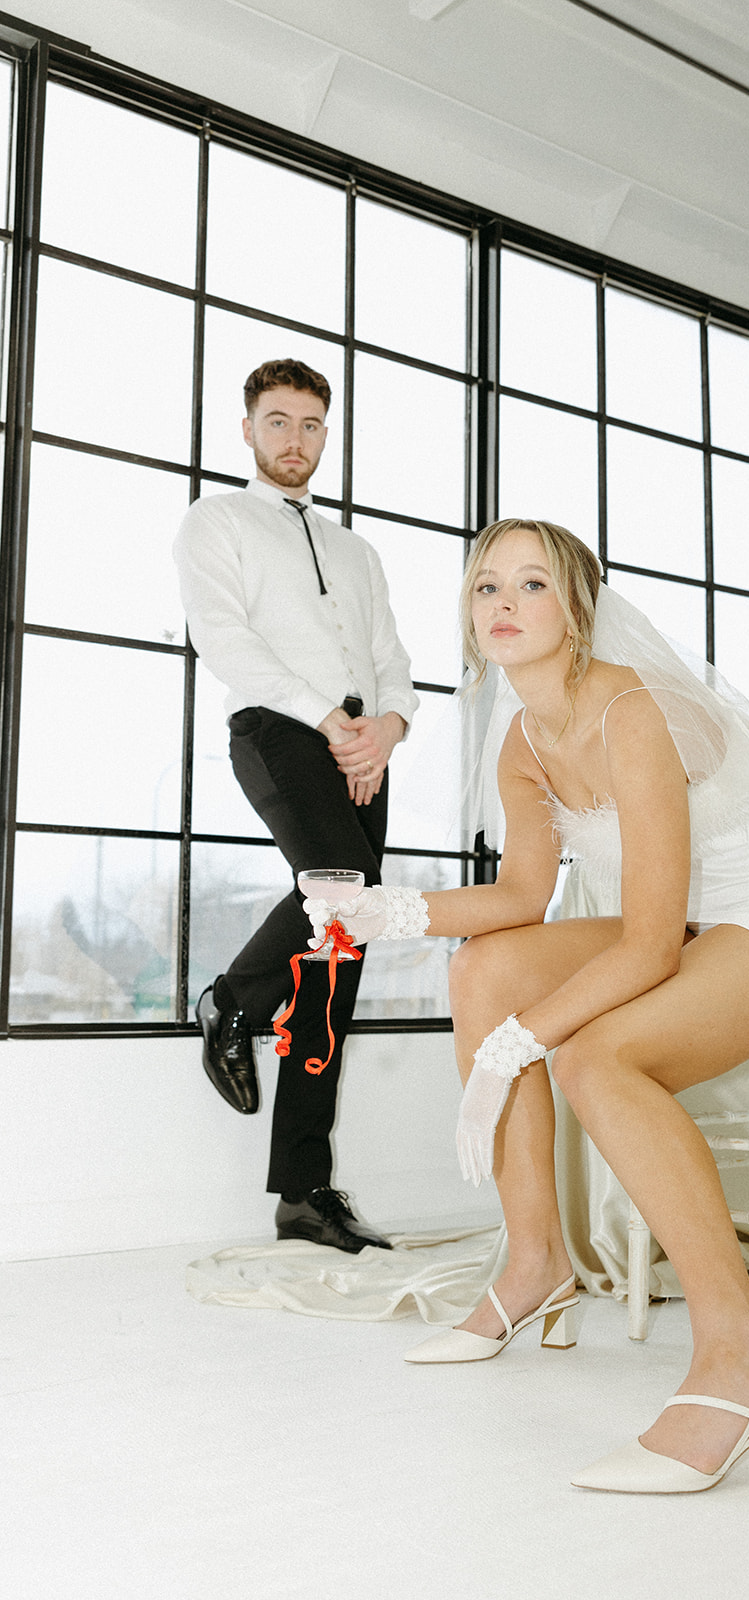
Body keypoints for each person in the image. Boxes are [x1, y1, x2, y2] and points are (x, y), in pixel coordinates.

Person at [312, 517, 749, 1493]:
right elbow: (521, 902)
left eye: (531, 584)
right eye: (485, 585)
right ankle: (532, 1262)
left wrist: (515, 1047)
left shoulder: (626, 707)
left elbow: (648, 942)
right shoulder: (521, 743)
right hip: (695, 925)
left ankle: (742, 1358)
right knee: (481, 968)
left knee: (592, 1058)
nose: (502, 603)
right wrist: (380, 908)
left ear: (577, 610)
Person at [173, 358, 417, 1254]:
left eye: (311, 425)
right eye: (277, 422)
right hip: (278, 732)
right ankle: (234, 999)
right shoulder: (217, 520)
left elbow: (390, 655)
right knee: (342, 886)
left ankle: (302, 1192)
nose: (295, 441)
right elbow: (225, 640)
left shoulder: (357, 550)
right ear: (247, 429)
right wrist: (331, 722)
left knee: (338, 956)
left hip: (361, 750)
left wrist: (384, 727)